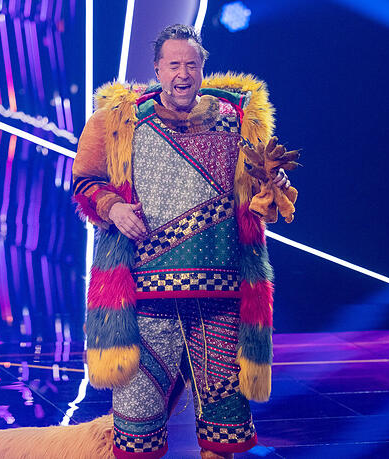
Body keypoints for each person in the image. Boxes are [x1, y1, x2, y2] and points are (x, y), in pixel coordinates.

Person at [72, 24, 292, 459]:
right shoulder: (121, 119)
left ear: (202, 68)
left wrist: (273, 187)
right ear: (157, 69)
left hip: (221, 295)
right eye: (173, 64)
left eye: (191, 64)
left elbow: (260, 194)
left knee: (225, 428)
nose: (183, 73)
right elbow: (85, 181)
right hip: (145, 295)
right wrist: (113, 208)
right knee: (137, 425)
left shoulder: (239, 119)